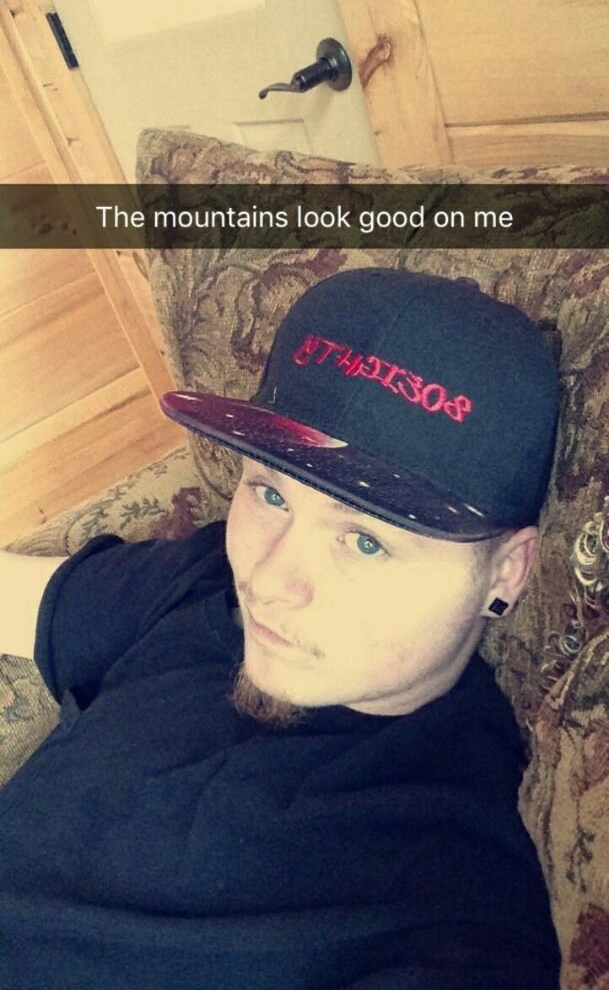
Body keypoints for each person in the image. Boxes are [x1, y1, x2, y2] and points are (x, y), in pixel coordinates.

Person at [0, 268, 561, 989]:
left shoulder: (453, 897)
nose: (267, 582)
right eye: (271, 493)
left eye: (365, 541)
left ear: (506, 573)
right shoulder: (200, 581)